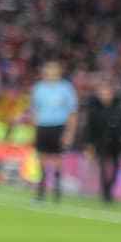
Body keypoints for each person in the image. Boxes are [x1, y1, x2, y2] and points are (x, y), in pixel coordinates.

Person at [29, 60, 78, 202]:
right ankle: (41, 191)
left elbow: (72, 112)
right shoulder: (38, 88)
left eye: (54, 70)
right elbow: (34, 111)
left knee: (57, 158)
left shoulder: (66, 88)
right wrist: (34, 130)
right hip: (43, 126)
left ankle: (57, 190)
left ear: (59, 72)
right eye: (49, 70)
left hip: (59, 125)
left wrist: (69, 132)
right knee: (42, 159)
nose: (51, 73)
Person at [81, 76, 121, 203]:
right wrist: (88, 144)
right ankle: (106, 193)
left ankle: (109, 189)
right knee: (103, 167)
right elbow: (89, 128)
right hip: (101, 142)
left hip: (116, 142)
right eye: (102, 92)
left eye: (107, 92)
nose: (105, 95)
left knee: (116, 167)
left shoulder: (119, 107)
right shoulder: (94, 109)